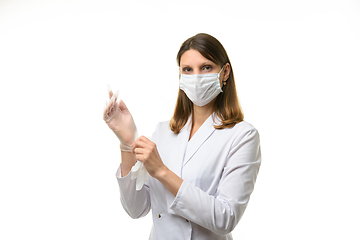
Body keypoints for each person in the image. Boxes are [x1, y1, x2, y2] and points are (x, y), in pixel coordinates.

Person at [103, 33, 261, 240]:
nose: (195, 77)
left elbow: (226, 218)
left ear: (225, 72)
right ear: (180, 76)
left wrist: (161, 171)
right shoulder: (163, 132)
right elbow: (136, 209)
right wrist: (127, 143)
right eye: (187, 69)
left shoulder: (242, 136)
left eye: (206, 68)